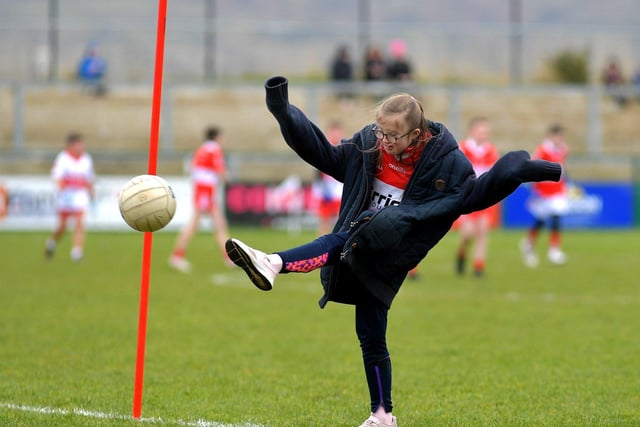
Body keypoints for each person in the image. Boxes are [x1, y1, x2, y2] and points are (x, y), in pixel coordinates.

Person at [224, 76, 562, 427]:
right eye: (380, 132)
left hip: (394, 247)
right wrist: (283, 112)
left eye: (392, 136)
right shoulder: (371, 143)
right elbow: (324, 153)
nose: (383, 141)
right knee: (370, 334)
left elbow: (472, 196)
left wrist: (517, 170)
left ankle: (274, 262)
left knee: (345, 236)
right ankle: (382, 414)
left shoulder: (449, 165)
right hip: (364, 236)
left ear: (415, 134)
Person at [169, 127, 231, 272]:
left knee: (218, 224)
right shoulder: (214, 149)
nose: (224, 140)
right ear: (216, 137)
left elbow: (192, 169)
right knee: (201, 224)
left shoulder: (201, 149)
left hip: (201, 188)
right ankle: (177, 256)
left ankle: (228, 257)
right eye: (222, 137)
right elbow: (221, 171)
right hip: (206, 190)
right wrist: (225, 178)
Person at [520, 123, 570, 267]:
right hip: (543, 192)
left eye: (560, 136)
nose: (559, 139)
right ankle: (529, 243)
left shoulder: (563, 149)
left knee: (556, 216)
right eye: (556, 136)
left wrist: (568, 183)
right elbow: (533, 167)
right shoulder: (543, 150)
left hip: (558, 190)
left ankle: (554, 249)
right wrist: (533, 187)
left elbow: (563, 168)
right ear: (551, 136)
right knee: (540, 221)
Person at [454, 117, 499, 277]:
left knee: (482, 231)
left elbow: (493, 174)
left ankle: (478, 266)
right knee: (467, 233)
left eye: (486, 132)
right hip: (467, 196)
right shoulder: (463, 148)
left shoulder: (491, 150)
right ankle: (461, 253)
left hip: (484, 195)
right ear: (472, 131)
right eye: (481, 131)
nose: (484, 135)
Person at [45, 132, 95, 262]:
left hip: (80, 195)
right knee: (62, 227)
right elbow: (57, 178)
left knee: (79, 222)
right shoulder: (63, 158)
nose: (81, 146)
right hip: (66, 195)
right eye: (78, 144)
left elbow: (89, 178)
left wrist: (91, 191)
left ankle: (76, 252)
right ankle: (52, 242)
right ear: (71, 145)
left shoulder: (86, 159)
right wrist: (63, 190)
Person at [312, 120, 345, 235]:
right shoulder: (324, 147)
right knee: (324, 219)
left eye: (338, 133)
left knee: (341, 218)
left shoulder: (344, 147)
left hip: (340, 189)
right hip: (326, 189)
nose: (336, 135)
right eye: (333, 133)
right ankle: (320, 246)